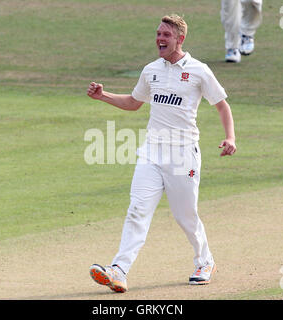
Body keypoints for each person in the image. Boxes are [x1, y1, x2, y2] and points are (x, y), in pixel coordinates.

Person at [87, 14, 236, 293]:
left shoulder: (199, 71)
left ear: (180, 38)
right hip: (151, 153)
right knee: (137, 210)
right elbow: (134, 103)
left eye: (166, 35)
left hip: (183, 155)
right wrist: (103, 96)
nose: (160, 39)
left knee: (185, 215)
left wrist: (230, 137)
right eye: (158, 34)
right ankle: (119, 270)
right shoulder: (151, 70)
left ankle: (205, 261)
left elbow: (222, 106)